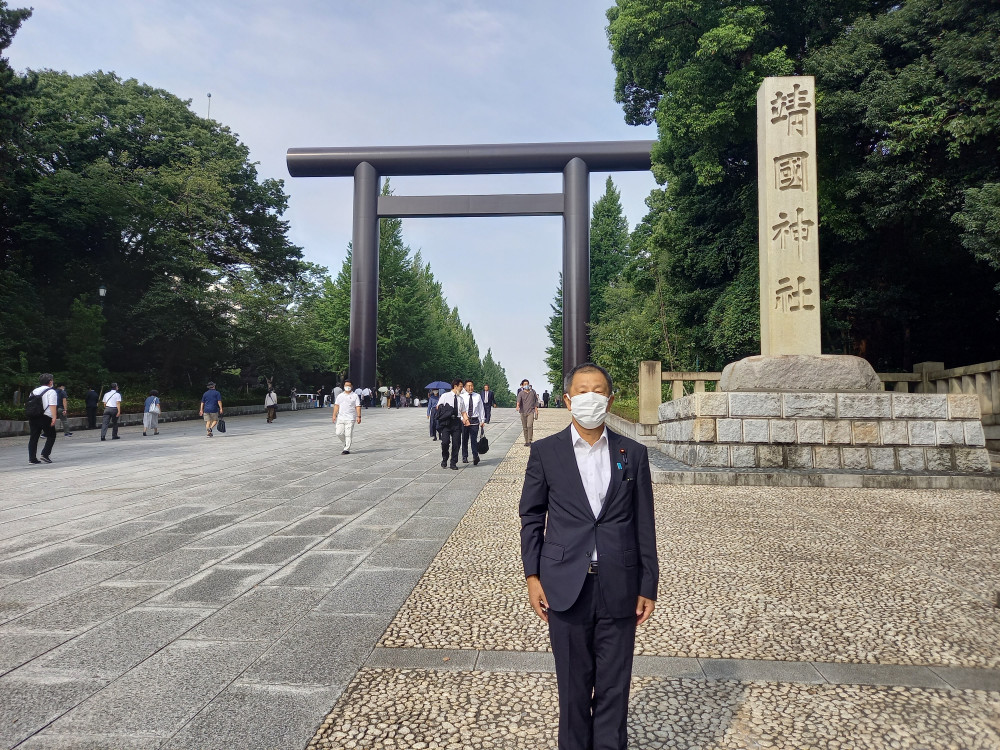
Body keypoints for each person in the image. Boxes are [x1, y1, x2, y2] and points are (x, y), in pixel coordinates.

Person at [519, 362, 658, 750]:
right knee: (573, 692)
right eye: (582, 391)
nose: (590, 398)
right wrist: (533, 577)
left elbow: (643, 522)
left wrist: (648, 583)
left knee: (614, 691)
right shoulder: (547, 452)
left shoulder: (633, 453)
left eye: (598, 391)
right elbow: (531, 516)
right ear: (567, 399)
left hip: (620, 584)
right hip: (565, 585)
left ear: (610, 400)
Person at [27, 373, 58, 464]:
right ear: (50, 381)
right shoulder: (51, 391)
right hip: (45, 416)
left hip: (33, 416)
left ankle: (32, 458)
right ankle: (45, 454)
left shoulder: (34, 391)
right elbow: (52, 405)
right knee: (51, 435)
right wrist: (54, 417)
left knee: (34, 437)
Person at [436, 379, 464, 470]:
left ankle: (453, 462)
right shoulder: (445, 396)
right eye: (460, 386)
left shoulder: (461, 399)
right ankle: (445, 458)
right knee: (445, 442)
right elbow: (438, 407)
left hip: (457, 422)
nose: (461, 388)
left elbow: (463, 411)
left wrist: (466, 420)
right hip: (446, 422)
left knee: (456, 443)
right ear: (455, 386)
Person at [332, 379, 362, 454]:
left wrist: (359, 416)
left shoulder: (355, 396)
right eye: (346, 385)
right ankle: (345, 442)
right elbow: (336, 405)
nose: (347, 387)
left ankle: (346, 449)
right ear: (344, 386)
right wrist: (334, 415)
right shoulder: (340, 396)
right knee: (338, 433)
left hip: (350, 418)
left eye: (349, 385)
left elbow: (358, 406)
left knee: (348, 434)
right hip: (341, 417)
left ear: (351, 386)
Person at [460, 379, 485, 466]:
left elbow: (481, 408)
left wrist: (482, 420)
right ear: (465, 387)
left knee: (474, 439)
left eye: (472, 386)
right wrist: (462, 418)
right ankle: (465, 456)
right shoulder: (462, 396)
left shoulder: (477, 396)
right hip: (465, 419)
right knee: (465, 439)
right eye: (468, 386)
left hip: (474, 419)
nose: (470, 387)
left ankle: (475, 456)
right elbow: (459, 409)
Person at [516, 379, 540, 446]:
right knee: (525, 427)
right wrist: (517, 406)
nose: (526, 385)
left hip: (531, 411)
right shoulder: (521, 393)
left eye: (527, 384)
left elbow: (536, 400)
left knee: (529, 425)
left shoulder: (533, 392)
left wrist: (536, 409)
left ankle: (530, 440)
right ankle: (526, 441)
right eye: (525, 384)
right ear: (522, 385)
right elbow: (518, 400)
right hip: (523, 412)